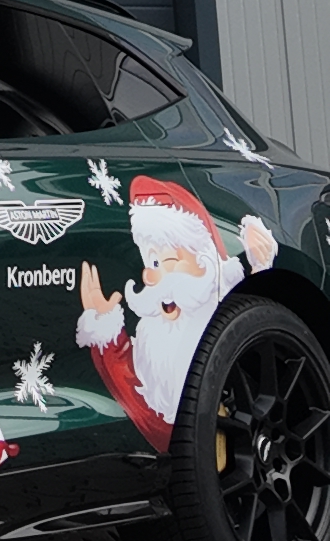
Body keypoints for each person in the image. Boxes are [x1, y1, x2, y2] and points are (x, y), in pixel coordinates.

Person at [77, 176, 277, 452]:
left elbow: (259, 353)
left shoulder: (211, 315)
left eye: (166, 262)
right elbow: (145, 408)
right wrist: (107, 334)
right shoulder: (158, 356)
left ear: (206, 264)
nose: (149, 276)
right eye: (151, 262)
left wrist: (260, 274)